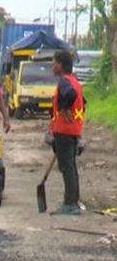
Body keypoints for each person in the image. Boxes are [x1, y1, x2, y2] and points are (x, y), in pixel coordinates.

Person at [48, 49, 87, 216]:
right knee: (70, 166)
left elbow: (70, 95)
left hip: (64, 129)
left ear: (61, 65)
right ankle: (73, 202)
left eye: (54, 62)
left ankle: (70, 204)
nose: (52, 65)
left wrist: (64, 108)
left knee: (66, 166)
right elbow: (83, 103)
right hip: (72, 129)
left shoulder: (64, 82)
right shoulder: (74, 81)